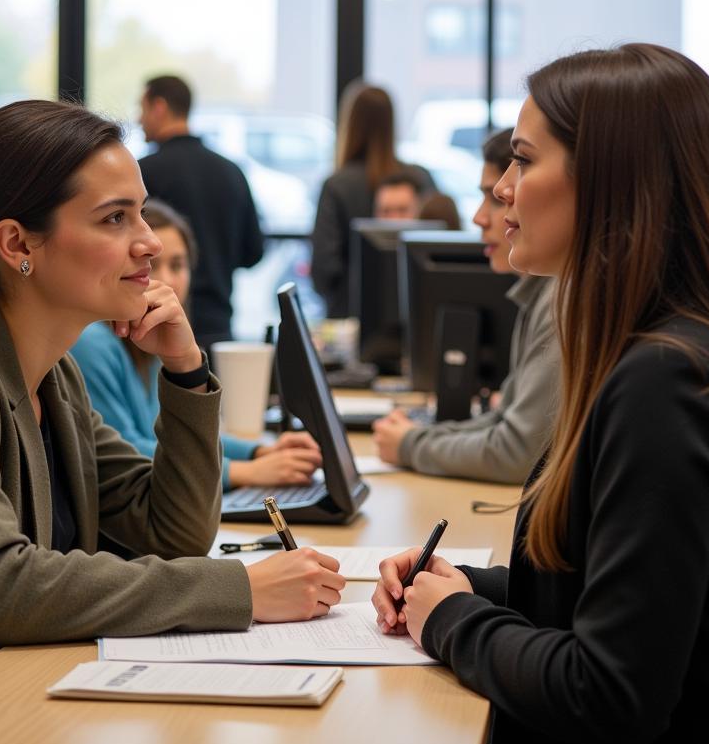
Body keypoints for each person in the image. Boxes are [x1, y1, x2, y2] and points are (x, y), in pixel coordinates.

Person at [0, 99, 345, 744]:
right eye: (115, 218)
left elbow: (171, 532)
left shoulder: (52, 375)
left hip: (12, 706)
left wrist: (184, 369)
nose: (148, 241)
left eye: (141, 211)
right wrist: (242, 590)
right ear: (16, 244)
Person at [373, 44, 709, 744]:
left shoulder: (668, 381)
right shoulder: (671, 351)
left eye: (522, 162)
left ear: (611, 184)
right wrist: (460, 584)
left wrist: (450, 621)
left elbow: (609, 695)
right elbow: (623, 591)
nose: (503, 195)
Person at [71, 198, 322, 490]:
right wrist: (244, 472)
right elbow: (124, 452)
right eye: (152, 266)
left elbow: (176, 435)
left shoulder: (150, 339)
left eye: (177, 265)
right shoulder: (92, 342)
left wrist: (258, 452)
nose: (167, 280)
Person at [371, 129, 559, 484]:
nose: (479, 217)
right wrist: (419, 437)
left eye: (494, 198)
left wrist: (412, 444)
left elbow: (518, 452)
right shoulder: (540, 294)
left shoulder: (560, 301)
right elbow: (505, 423)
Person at [137, 74, 265, 352]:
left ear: (159, 107)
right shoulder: (231, 172)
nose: (139, 119)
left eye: (142, 108)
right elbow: (253, 252)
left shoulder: (142, 174)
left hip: (153, 326)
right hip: (219, 326)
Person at [311, 82, 434, 317]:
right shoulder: (421, 179)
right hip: (417, 313)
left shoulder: (336, 186)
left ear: (350, 124)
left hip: (350, 319)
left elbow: (324, 271)